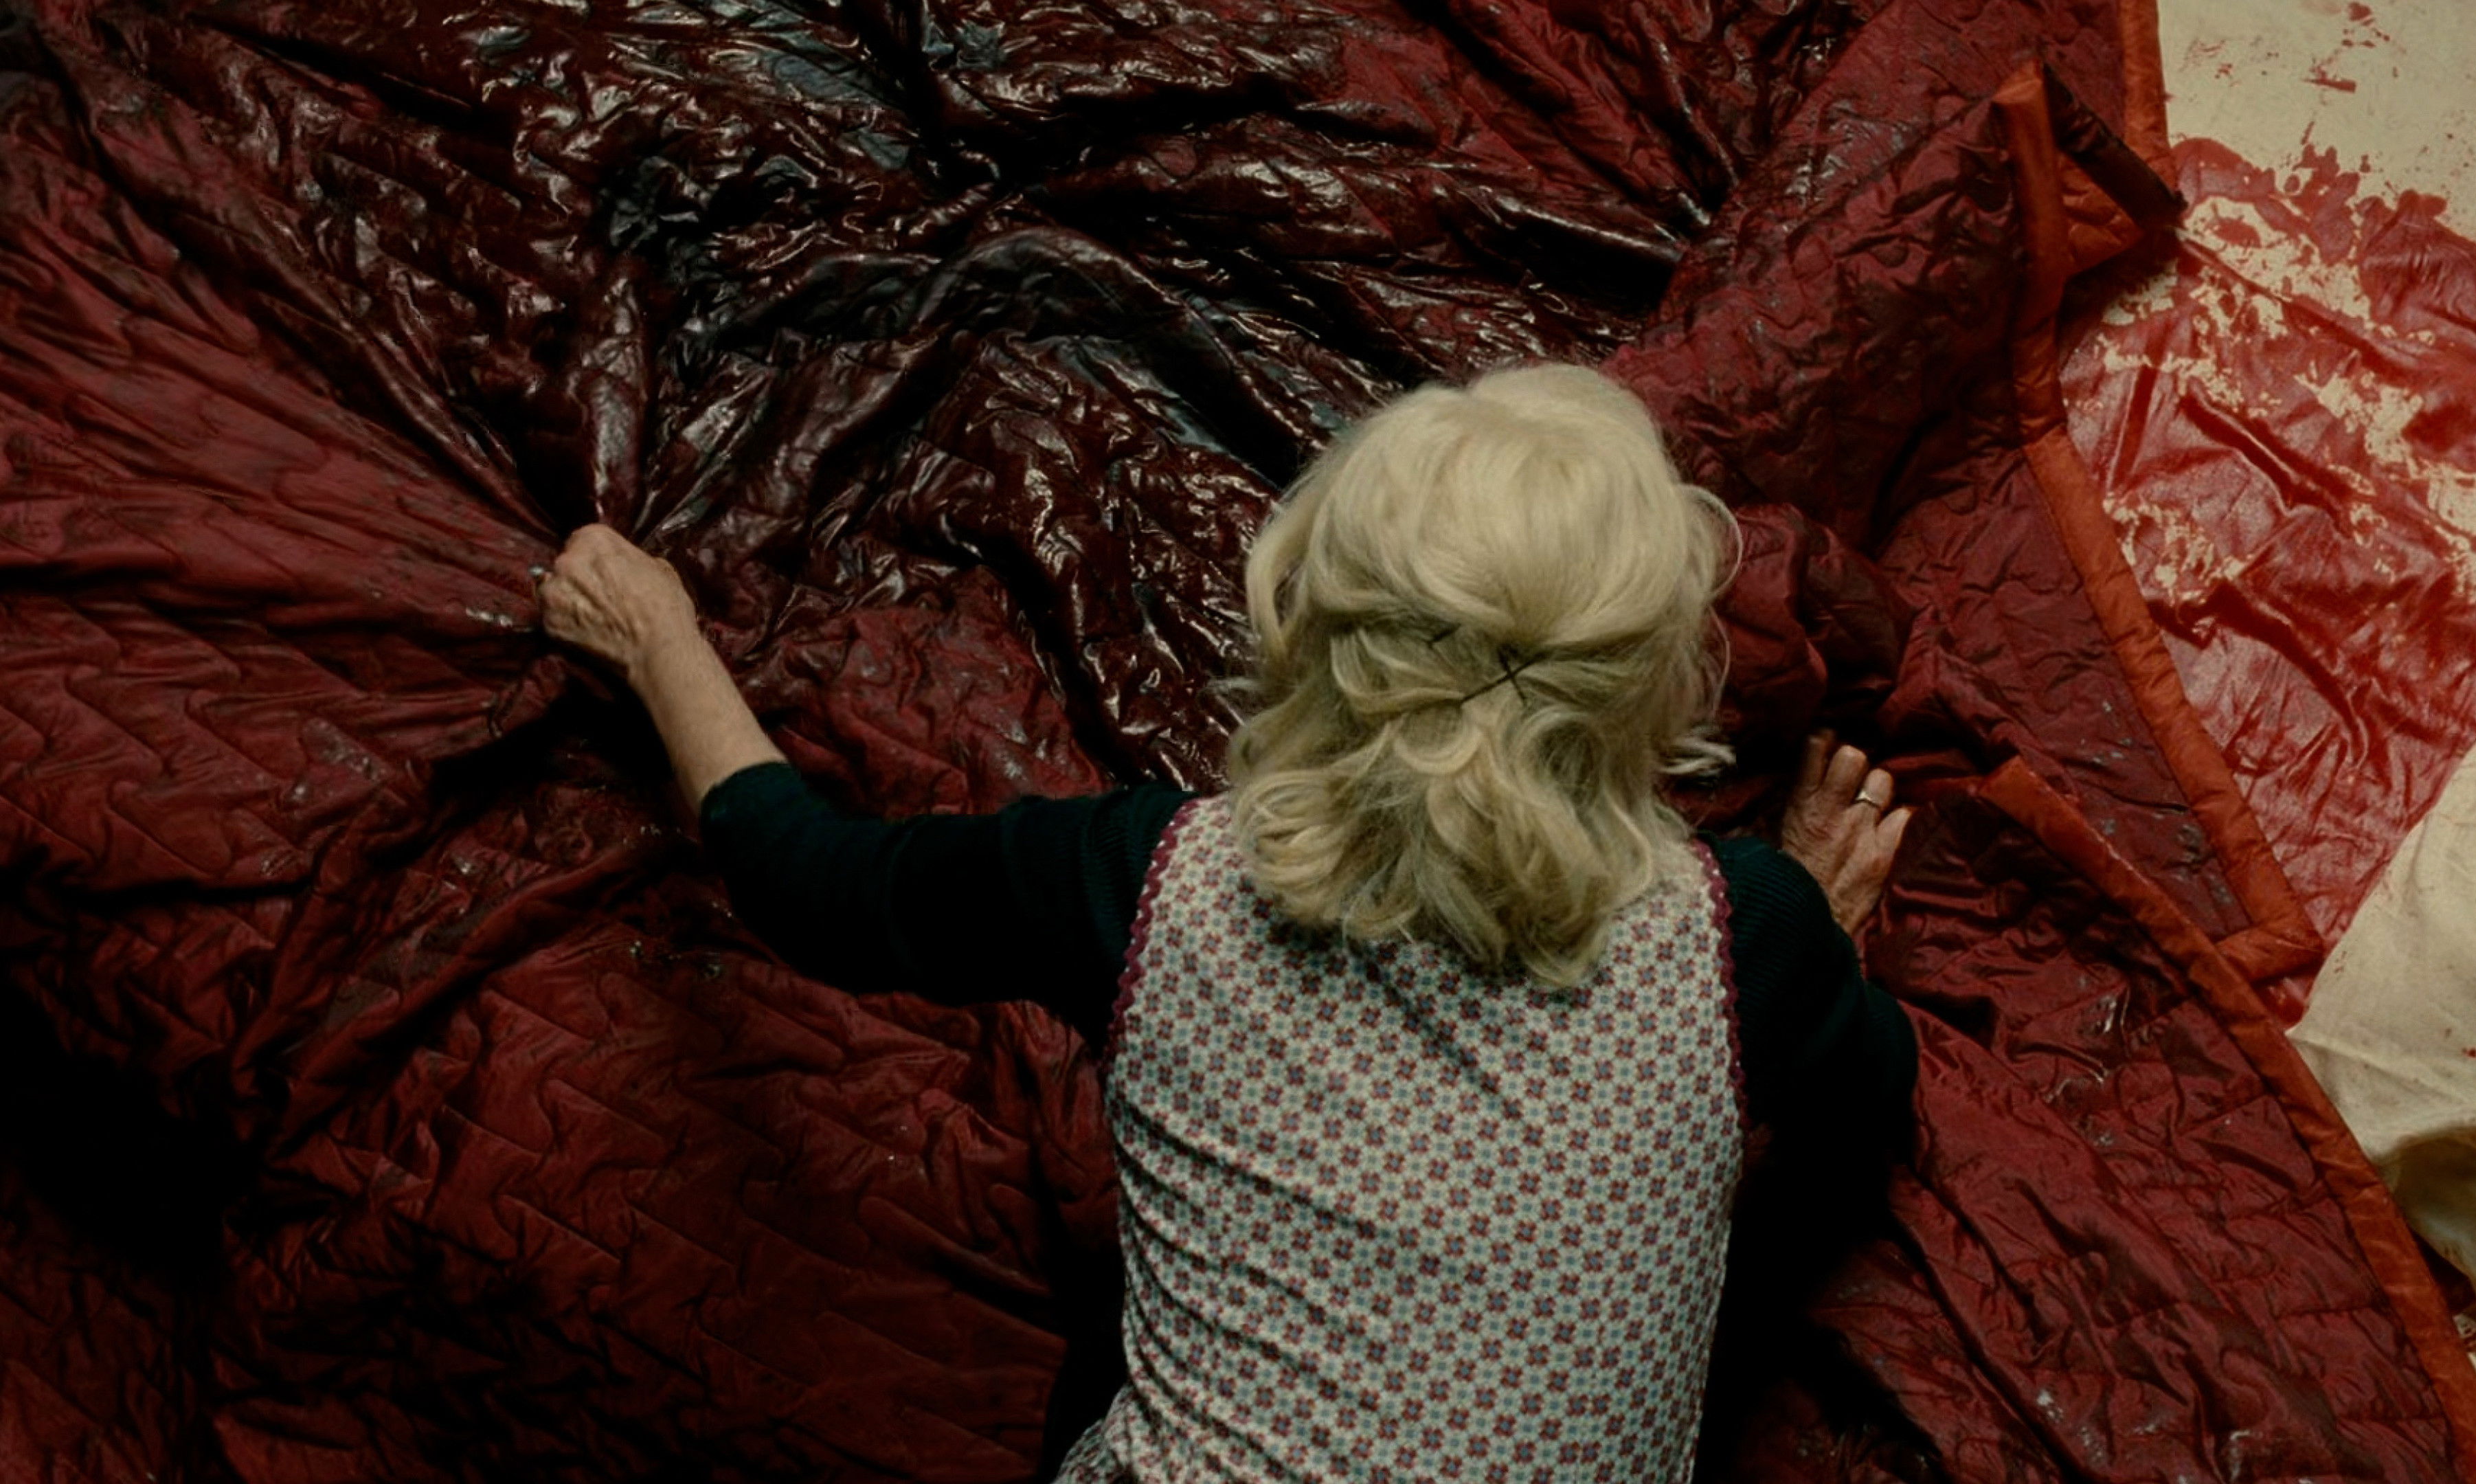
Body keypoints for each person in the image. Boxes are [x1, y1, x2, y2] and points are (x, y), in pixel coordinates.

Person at [541, 363, 1917, 1482]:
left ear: (1318, 615)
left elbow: (813, 886)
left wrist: (660, 640)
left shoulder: (1146, 880)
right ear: (1655, 680)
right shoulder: (1749, 933)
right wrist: (1814, 936)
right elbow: (1868, 1104)